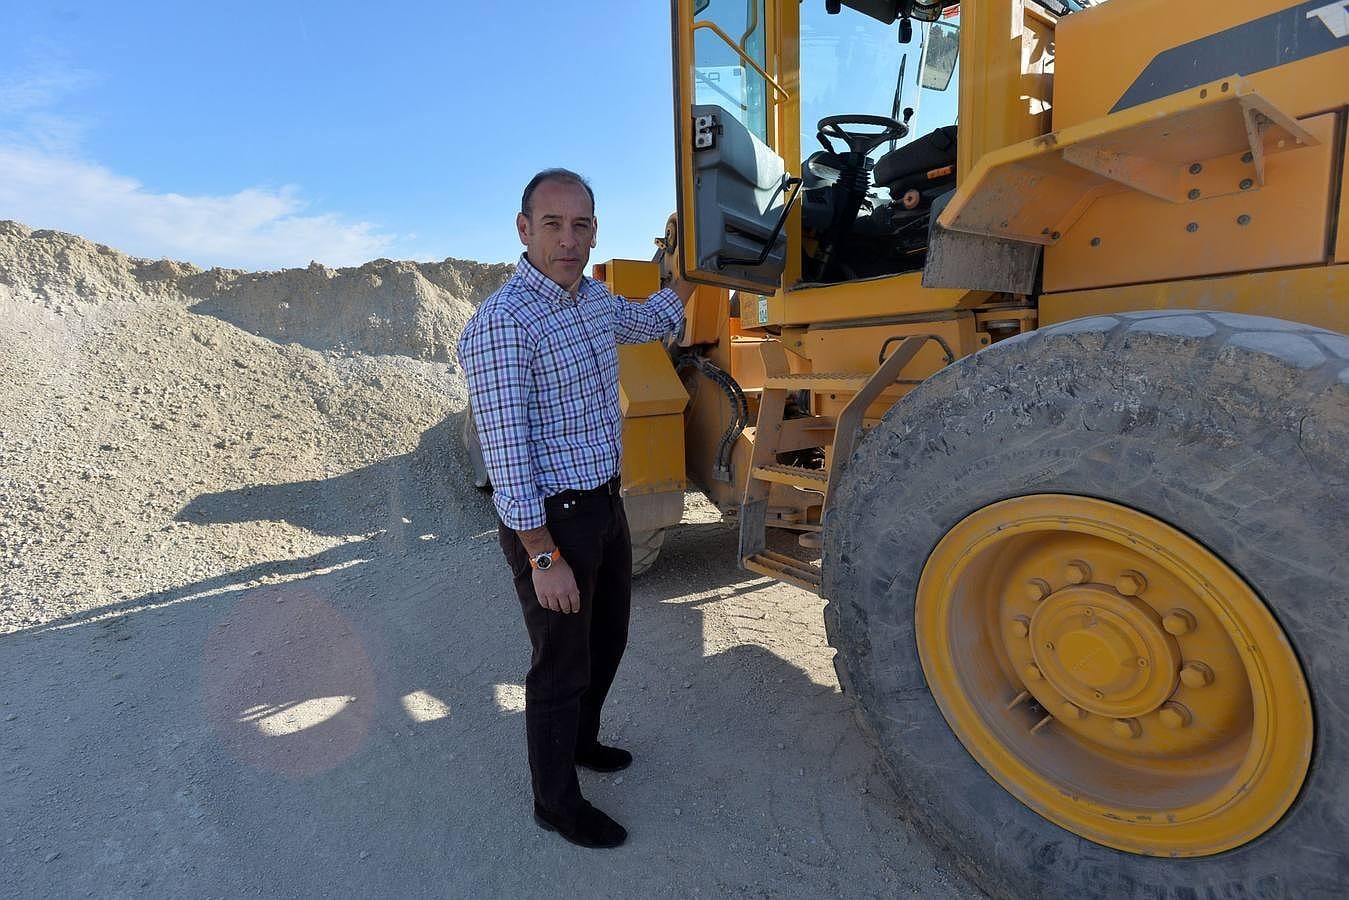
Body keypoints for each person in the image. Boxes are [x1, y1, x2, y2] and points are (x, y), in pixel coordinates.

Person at [457, 168, 695, 849]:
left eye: (581, 224)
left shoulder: (593, 300)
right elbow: (506, 457)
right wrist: (541, 555)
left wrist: (709, 266)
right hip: (551, 520)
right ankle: (554, 802)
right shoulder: (503, 324)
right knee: (559, 664)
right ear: (524, 229)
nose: (569, 239)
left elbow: (653, 317)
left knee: (605, 640)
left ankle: (582, 745)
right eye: (554, 224)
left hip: (604, 503)